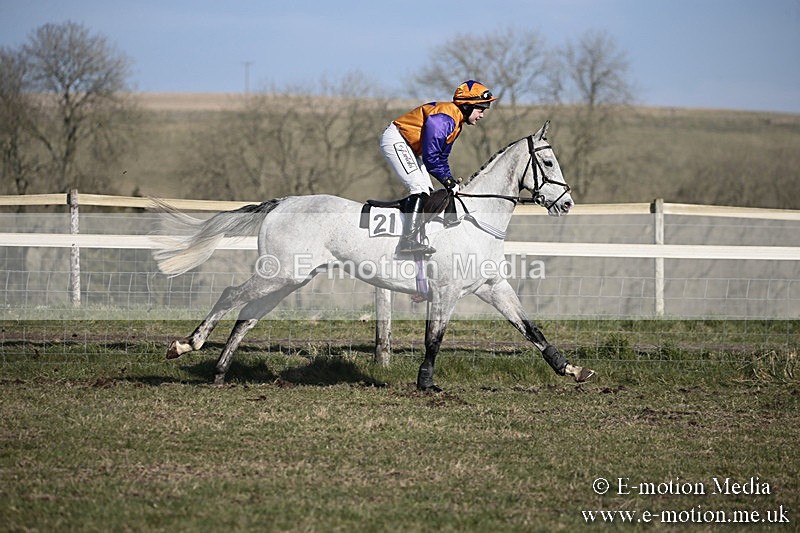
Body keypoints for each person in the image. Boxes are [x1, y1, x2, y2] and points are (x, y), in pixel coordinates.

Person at [380, 80, 497, 254]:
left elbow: (442, 158)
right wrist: (447, 181)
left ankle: (412, 232)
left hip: (410, 146)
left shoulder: (456, 123)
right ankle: (407, 242)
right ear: (466, 106)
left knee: (427, 192)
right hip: (397, 139)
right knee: (419, 189)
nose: (482, 115)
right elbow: (431, 158)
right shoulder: (444, 119)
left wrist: (450, 182)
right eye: (480, 110)